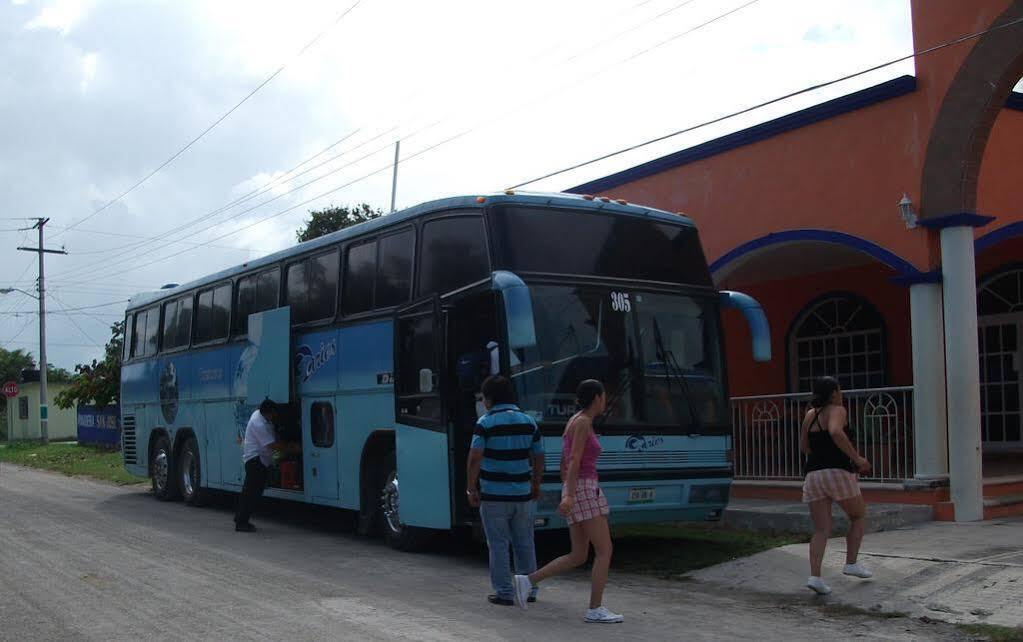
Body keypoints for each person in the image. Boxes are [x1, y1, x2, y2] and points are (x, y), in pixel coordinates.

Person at [512, 379, 623, 624]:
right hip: (584, 488)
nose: (605, 400)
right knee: (604, 551)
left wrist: (567, 490)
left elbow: (566, 461)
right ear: (597, 398)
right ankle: (595, 609)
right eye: (603, 396)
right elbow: (573, 459)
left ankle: (527, 580)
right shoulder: (583, 422)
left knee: (578, 555)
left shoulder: (575, 421)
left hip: (578, 488)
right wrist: (570, 494)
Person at [466, 375, 544, 606]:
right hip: (523, 495)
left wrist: (471, 488)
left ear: (489, 399)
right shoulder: (529, 421)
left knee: (499, 544)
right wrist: (536, 483)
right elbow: (538, 457)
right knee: (525, 542)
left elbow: (474, 458)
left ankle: (505, 592)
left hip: (494, 496)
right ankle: (529, 589)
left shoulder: (485, 423)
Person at [799, 376, 874, 594]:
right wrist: (857, 458)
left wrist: (821, 457)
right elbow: (835, 431)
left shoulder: (810, 416)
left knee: (821, 528)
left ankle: (815, 577)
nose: (841, 394)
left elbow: (804, 446)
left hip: (813, 475)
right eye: (839, 390)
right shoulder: (837, 410)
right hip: (838, 472)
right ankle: (851, 563)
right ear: (833, 393)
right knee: (858, 516)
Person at [234, 399, 299, 532]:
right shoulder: (258, 424)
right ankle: (241, 523)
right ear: (267, 413)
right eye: (272, 414)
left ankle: (240, 518)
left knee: (252, 492)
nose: (274, 417)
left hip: (260, 460)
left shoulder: (261, 416)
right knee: (251, 493)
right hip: (255, 461)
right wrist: (291, 448)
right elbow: (272, 445)